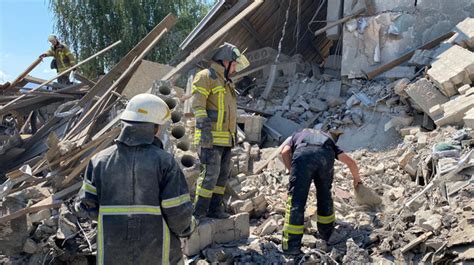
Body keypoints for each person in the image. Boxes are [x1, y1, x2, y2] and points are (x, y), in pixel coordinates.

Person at [76, 93, 196, 264]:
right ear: (154, 128)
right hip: (157, 253)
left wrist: (114, 220)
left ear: (126, 123)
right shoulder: (164, 161)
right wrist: (188, 228)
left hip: (113, 251)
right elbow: (177, 213)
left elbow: (86, 206)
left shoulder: (99, 161)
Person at [280, 128, 362, 255]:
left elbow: (284, 152)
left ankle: (292, 245)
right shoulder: (328, 139)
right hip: (325, 154)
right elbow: (350, 162)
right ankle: (327, 234)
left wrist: (292, 171)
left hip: (303, 155)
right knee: (325, 196)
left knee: (296, 200)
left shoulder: (297, 135)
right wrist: (357, 179)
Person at [191, 42, 250, 219]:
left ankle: (215, 209)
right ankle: (199, 213)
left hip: (225, 139)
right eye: (234, 65)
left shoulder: (227, 83)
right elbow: (198, 105)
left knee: (221, 177)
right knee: (209, 175)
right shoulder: (205, 76)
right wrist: (204, 130)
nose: (235, 69)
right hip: (210, 139)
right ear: (225, 61)